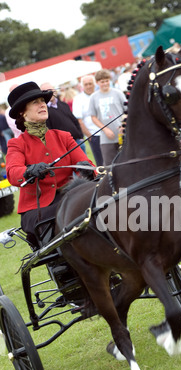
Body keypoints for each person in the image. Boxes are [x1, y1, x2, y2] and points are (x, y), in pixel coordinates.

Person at [5, 82, 95, 246]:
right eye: (35, 102)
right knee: (67, 211)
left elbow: (86, 163)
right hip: (37, 208)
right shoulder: (16, 144)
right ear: (22, 112)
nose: (42, 105)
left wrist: (88, 169)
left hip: (70, 196)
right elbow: (12, 173)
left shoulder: (63, 136)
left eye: (42, 101)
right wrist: (28, 171)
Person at [89, 69, 126, 166]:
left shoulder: (118, 93)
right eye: (102, 82)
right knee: (109, 166)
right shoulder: (93, 97)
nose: (105, 83)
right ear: (97, 83)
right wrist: (105, 130)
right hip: (106, 139)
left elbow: (127, 110)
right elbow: (93, 117)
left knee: (127, 162)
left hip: (122, 135)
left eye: (107, 81)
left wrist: (124, 125)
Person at [40, 82, 86, 153]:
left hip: (77, 141)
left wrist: (80, 136)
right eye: (46, 91)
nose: (50, 93)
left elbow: (74, 120)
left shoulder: (63, 104)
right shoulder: (43, 111)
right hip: (64, 146)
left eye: (51, 90)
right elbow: (49, 130)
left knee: (86, 163)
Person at [72, 75, 103, 166]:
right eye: (86, 84)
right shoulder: (78, 99)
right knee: (101, 162)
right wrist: (90, 136)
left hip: (108, 132)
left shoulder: (100, 94)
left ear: (94, 84)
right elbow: (79, 120)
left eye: (90, 83)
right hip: (94, 134)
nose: (89, 86)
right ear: (82, 86)